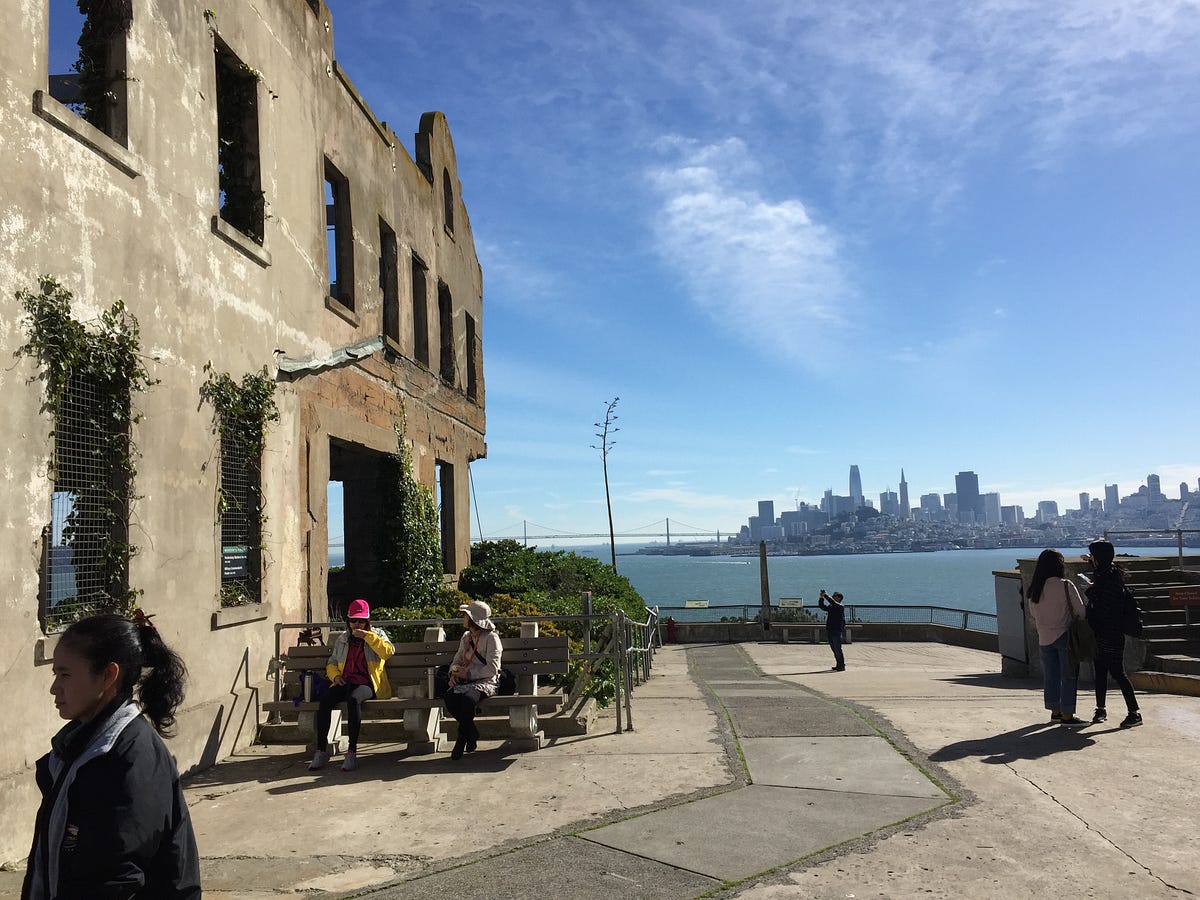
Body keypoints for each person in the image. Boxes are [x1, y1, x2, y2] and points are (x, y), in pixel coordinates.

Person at [22, 612, 201, 899]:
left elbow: (120, 879)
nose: (55, 688)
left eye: (65, 674)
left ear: (108, 676)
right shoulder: (81, 748)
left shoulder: (131, 759)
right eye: (55, 674)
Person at [310, 598, 394, 772]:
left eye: (361, 621)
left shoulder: (376, 634)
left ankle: (352, 751)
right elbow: (332, 662)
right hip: (345, 681)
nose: (357, 624)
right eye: (354, 620)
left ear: (367, 621)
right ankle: (321, 749)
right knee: (325, 701)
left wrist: (368, 637)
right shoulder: (343, 639)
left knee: (354, 700)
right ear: (348, 621)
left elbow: (388, 652)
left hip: (368, 683)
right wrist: (335, 676)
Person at [1082, 540, 1142, 728]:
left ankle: (1134, 713)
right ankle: (1100, 708)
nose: (1091, 557)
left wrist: (1091, 591)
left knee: (1117, 672)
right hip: (1103, 632)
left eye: (1092, 555)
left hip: (1110, 633)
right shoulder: (1107, 573)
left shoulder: (1109, 579)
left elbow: (1106, 606)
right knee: (1100, 671)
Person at [1027, 548, 1088, 726]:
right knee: (1068, 676)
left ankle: (1055, 711)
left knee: (1051, 676)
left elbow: (1032, 612)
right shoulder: (1065, 585)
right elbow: (1081, 612)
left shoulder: (1035, 587)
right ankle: (1067, 716)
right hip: (1064, 635)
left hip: (1043, 636)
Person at [444, 600, 503, 760]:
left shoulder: (492, 638)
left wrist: (468, 675)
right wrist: (454, 673)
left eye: (466, 615)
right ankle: (472, 732)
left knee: (468, 700)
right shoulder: (466, 637)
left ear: (473, 619)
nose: (463, 618)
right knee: (449, 698)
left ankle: (461, 739)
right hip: (465, 680)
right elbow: (456, 660)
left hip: (486, 681)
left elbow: (492, 668)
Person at [817, 589, 847, 671]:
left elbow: (833, 602)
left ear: (839, 598)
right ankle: (838, 665)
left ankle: (842, 665)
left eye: (834, 596)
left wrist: (825, 595)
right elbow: (822, 607)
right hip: (830, 629)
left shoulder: (840, 606)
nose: (833, 597)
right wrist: (821, 597)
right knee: (834, 649)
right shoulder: (831, 607)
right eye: (832, 596)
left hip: (837, 630)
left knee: (838, 649)